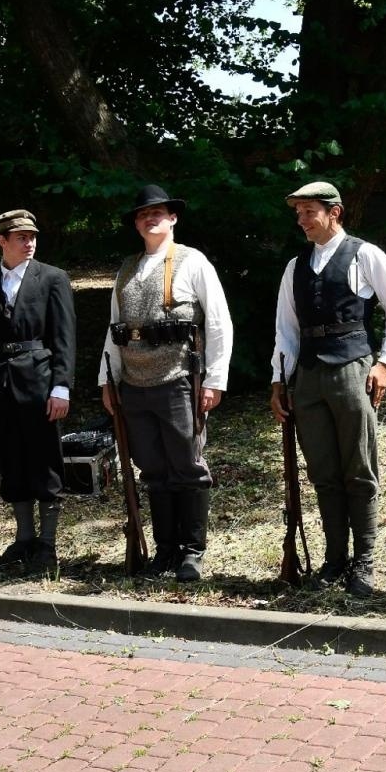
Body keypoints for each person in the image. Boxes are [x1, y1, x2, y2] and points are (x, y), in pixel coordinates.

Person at [269, 181, 386, 597]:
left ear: (334, 212)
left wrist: (384, 362)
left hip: (353, 369)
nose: (302, 220)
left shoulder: (364, 255)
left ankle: (364, 561)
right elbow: (286, 329)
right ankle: (335, 559)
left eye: (309, 211)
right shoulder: (295, 267)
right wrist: (279, 380)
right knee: (323, 471)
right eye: (298, 213)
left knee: (358, 468)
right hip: (308, 376)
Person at [98, 184, 233, 581]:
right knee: (153, 469)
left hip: (179, 381)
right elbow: (114, 329)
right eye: (143, 214)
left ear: (173, 218)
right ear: (136, 224)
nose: (150, 218)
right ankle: (166, 551)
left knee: (187, 466)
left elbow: (219, 322)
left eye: (157, 212)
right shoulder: (126, 269)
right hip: (134, 386)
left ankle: (192, 552)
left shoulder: (193, 262)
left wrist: (215, 379)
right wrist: (108, 381)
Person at [0, 210, 77, 575]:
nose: (29, 243)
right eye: (21, 237)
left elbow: (64, 337)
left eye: (33, 237)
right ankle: (24, 537)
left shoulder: (53, 278)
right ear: (2, 241)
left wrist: (62, 386)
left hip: (40, 381)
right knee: (11, 458)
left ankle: (47, 543)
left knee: (44, 458)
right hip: (0, 383)